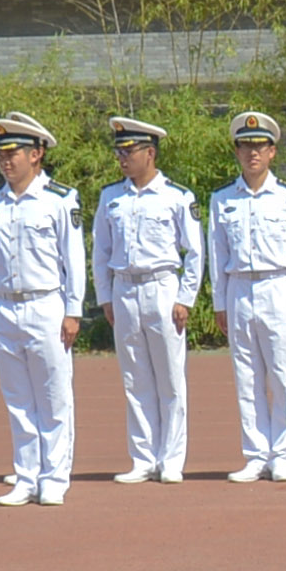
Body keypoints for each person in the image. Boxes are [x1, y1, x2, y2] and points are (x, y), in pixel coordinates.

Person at [0, 111, 84, 505]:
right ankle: (26, 476)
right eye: (1, 154)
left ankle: (54, 476)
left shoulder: (60, 200)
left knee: (53, 396)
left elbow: (74, 260)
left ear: (36, 154)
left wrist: (73, 311)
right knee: (17, 399)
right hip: (5, 307)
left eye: (13, 153)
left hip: (46, 303)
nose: (6, 161)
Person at [89, 115, 200, 482]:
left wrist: (186, 297)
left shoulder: (176, 196)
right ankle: (143, 457)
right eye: (119, 151)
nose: (122, 158)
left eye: (129, 151)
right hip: (124, 288)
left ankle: (171, 459)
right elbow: (101, 251)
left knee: (170, 378)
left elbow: (194, 251)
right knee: (135, 379)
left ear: (150, 153)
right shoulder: (111, 197)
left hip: (162, 287)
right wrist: (105, 296)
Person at [204, 111, 286, 477]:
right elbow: (217, 253)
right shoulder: (223, 199)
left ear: (272, 152)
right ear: (237, 151)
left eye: (260, 146)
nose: (253, 153)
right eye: (246, 146)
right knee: (246, 375)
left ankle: (282, 455)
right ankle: (255, 455)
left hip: (276, 285)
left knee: (281, 374)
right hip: (238, 288)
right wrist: (220, 302)